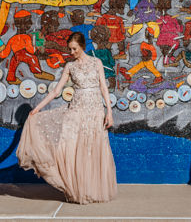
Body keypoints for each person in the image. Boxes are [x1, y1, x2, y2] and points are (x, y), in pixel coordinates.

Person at [16, 31, 117, 204]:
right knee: (73, 149)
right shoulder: (70, 66)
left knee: (94, 149)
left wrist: (110, 111)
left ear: (82, 46)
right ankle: (77, 189)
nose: (71, 53)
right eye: (70, 49)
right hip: (77, 109)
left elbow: (103, 87)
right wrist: (37, 109)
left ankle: (93, 190)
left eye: (74, 49)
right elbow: (56, 91)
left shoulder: (96, 62)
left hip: (95, 111)